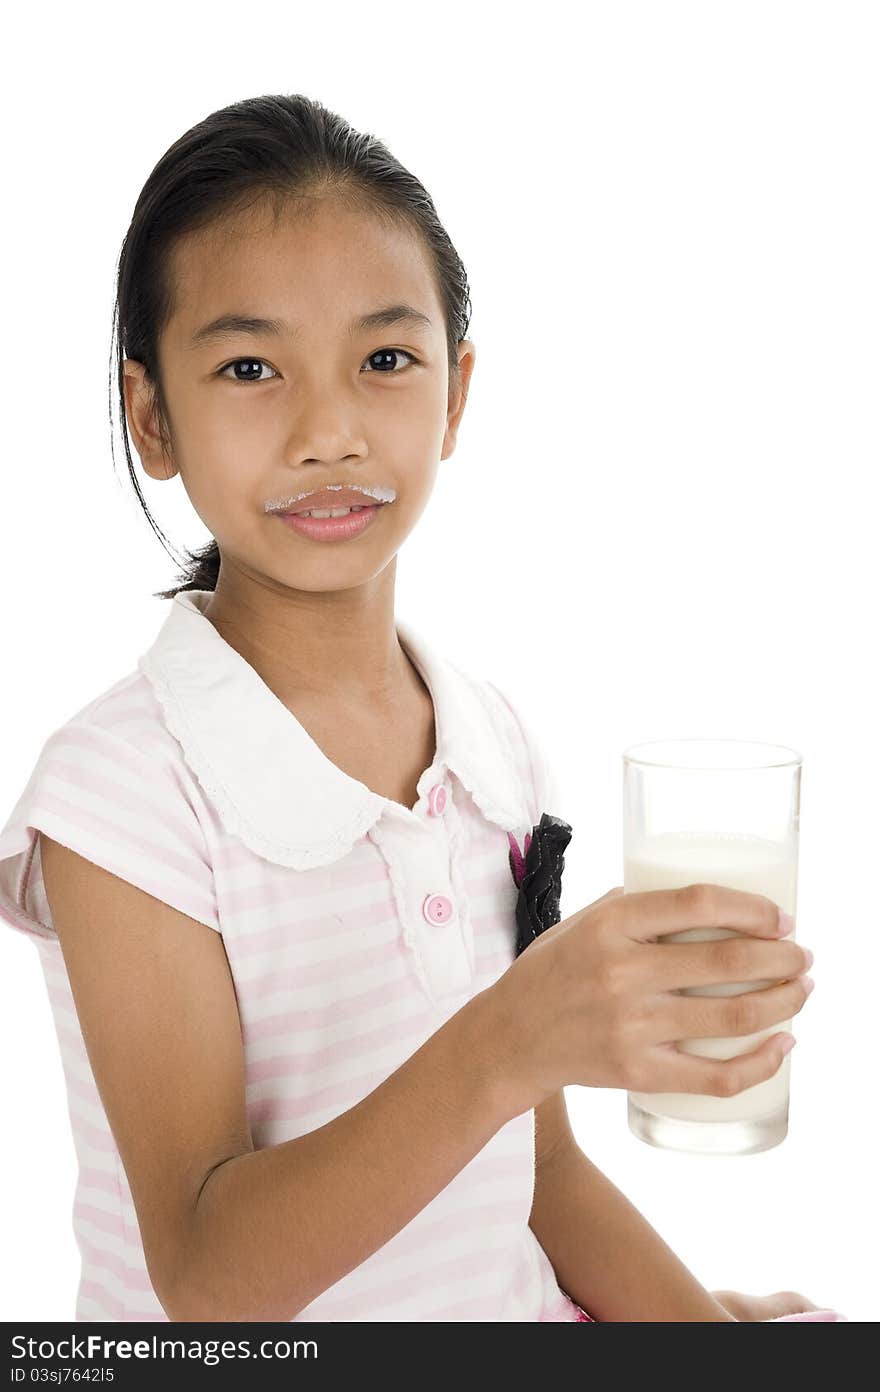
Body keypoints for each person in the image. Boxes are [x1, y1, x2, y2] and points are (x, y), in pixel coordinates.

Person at [0, 92, 840, 1324]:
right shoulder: (121, 792)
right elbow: (207, 1287)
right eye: (248, 367)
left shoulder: (490, 747)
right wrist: (509, 1039)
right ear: (152, 418)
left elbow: (540, 1174)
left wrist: (703, 1339)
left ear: (453, 394)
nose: (330, 430)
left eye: (385, 359)